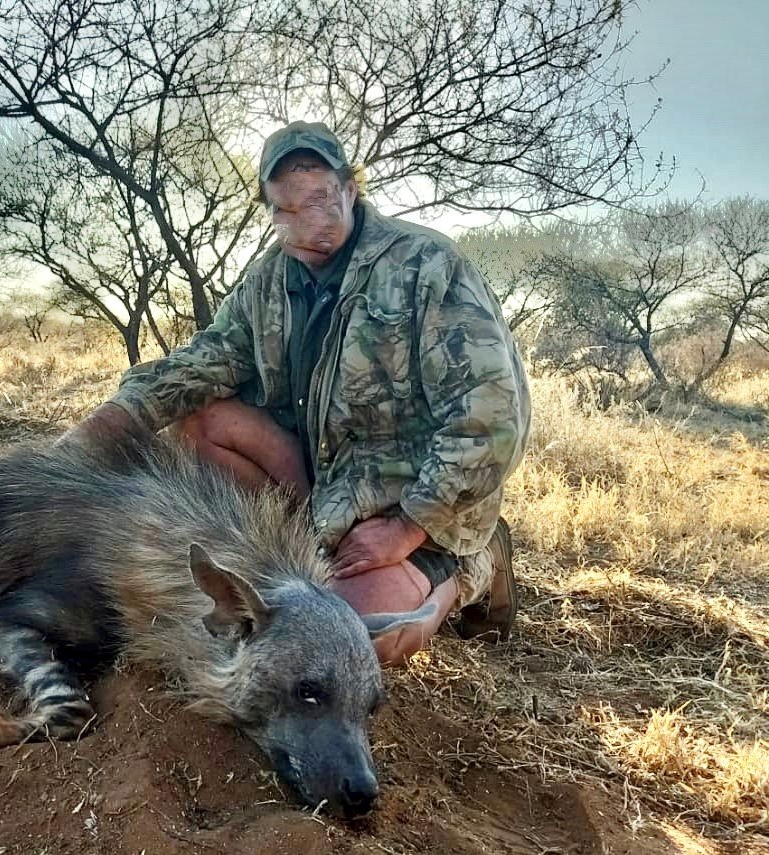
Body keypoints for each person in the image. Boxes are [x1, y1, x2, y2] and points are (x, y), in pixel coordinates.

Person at [66, 121, 531, 666]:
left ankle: (474, 563)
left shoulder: (427, 266)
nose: (311, 219)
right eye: (289, 207)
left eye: (322, 198)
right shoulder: (267, 281)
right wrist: (117, 417)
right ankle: (309, 544)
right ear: (272, 213)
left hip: (405, 501)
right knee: (195, 424)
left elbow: (494, 417)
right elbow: (209, 358)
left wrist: (409, 527)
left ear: (350, 190)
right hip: (321, 487)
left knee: (346, 638)